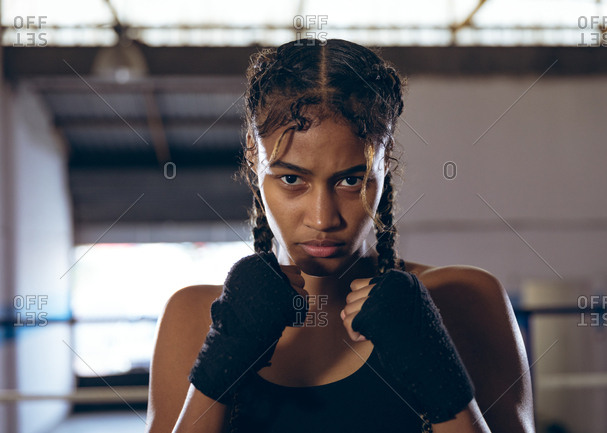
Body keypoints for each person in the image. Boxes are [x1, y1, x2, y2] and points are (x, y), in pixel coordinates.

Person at [146, 38, 534, 433]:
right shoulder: (193, 315)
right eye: (292, 179)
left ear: (385, 160)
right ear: (252, 154)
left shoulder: (463, 297)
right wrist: (222, 364)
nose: (322, 217)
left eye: (351, 180)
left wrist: (438, 379)